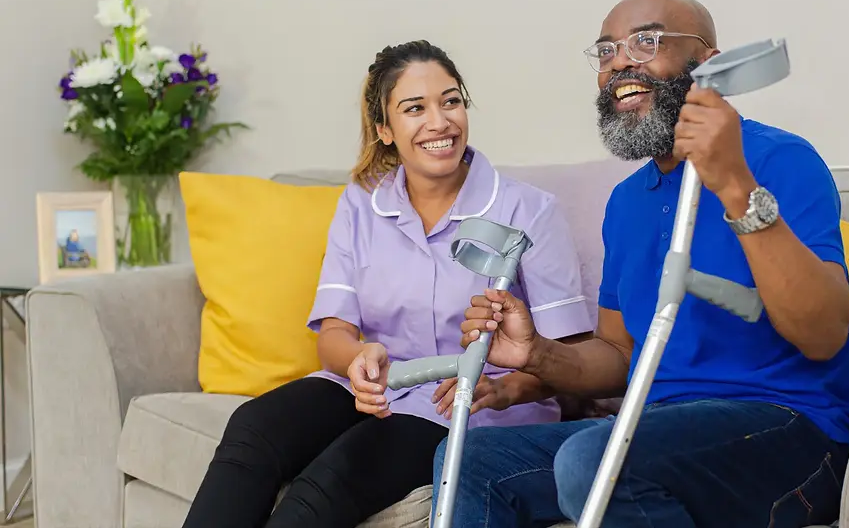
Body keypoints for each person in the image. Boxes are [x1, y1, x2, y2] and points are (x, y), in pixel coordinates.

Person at [432, 0, 849, 528]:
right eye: (607, 49)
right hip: (660, 426)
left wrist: (733, 181)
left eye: (647, 41)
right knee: (471, 461)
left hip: (793, 428)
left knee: (593, 462)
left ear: (708, 65)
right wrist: (538, 354)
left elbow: (824, 333)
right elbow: (619, 353)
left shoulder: (782, 160)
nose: (620, 61)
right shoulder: (627, 202)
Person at [181, 40, 594, 528]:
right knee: (252, 429)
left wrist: (506, 391)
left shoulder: (529, 211)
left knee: (332, 479)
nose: (439, 122)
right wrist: (357, 359)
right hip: (374, 388)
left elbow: (572, 360)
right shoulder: (361, 204)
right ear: (384, 129)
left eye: (451, 100)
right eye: (415, 108)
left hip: (469, 403)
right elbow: (333, 334)